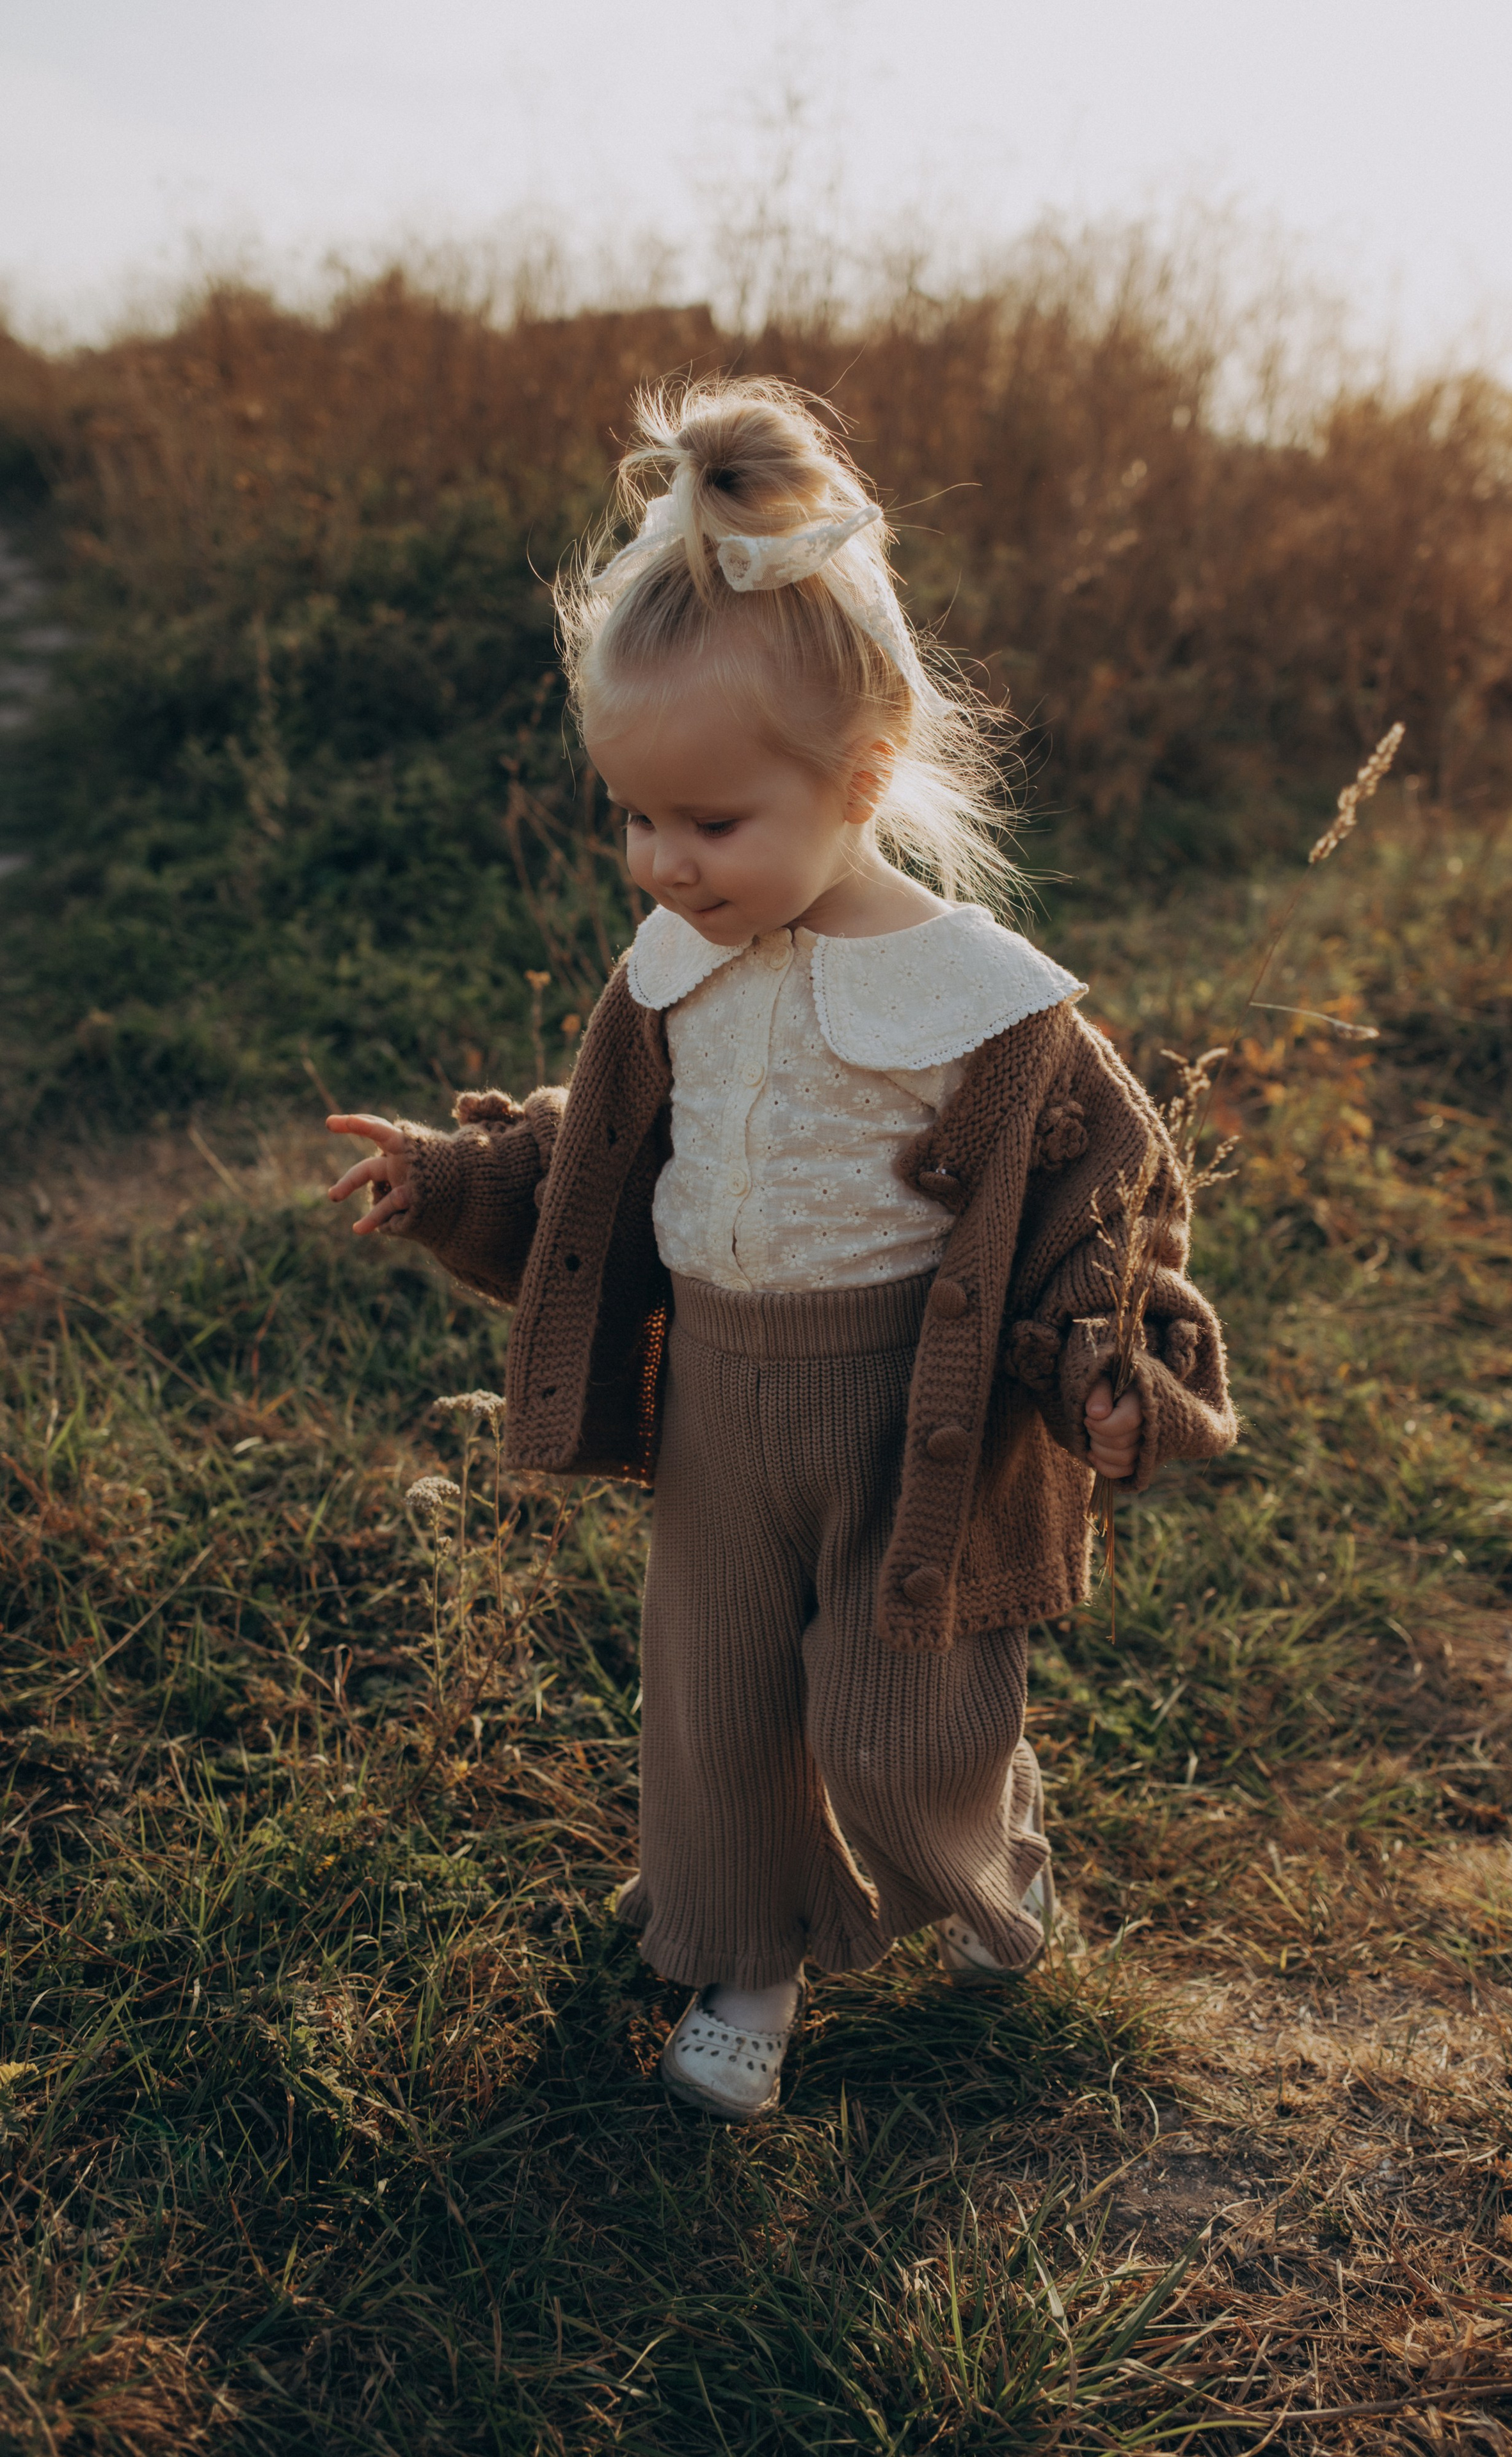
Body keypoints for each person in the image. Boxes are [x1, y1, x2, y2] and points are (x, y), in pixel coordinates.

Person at [326, 379, 1237, 2121]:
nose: (663, 865)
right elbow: (588, 1162)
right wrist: (452, 1182)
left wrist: (1112, 1365)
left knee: (905, 1716)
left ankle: (982, 1848)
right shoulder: (668, 968)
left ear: (864, 774)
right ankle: (744, 1952)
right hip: (719, 1414)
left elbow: (1105, 1217)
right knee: (717, 1701)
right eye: (636, 819)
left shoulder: (988, 1012)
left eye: (711, 824)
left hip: (918, 1410)